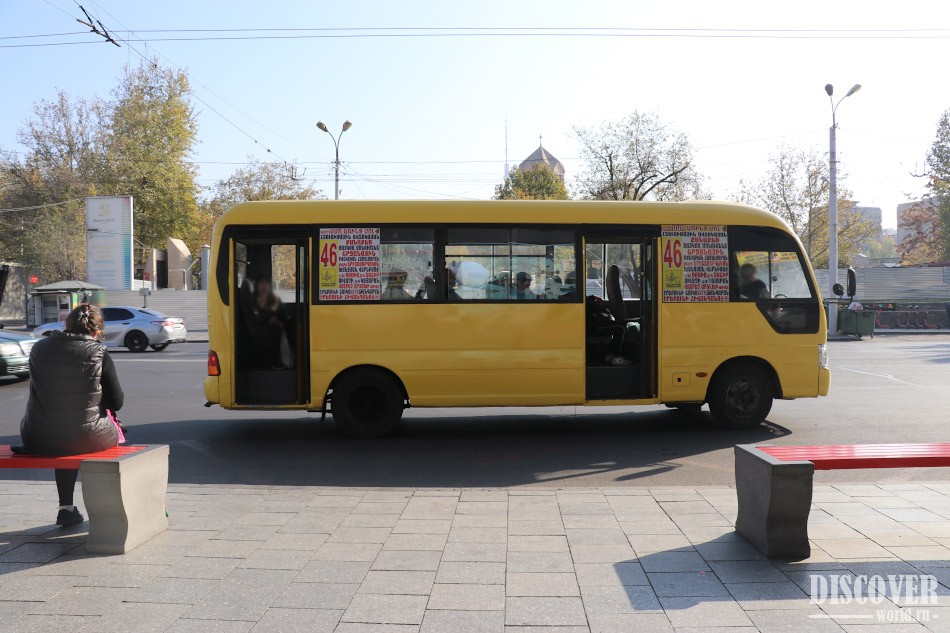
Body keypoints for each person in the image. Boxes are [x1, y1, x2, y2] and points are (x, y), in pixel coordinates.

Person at [19, 304, 123, 528]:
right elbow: (117, 402)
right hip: (86, 437)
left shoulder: (39, 348)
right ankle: (106, 510)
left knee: (65, 432)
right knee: (87, 434)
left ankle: (66, 508)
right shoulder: (98, 351)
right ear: (97, 331)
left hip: (37, 436)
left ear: (67, 324)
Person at [248, 277, 290, 368]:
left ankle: (278, 361)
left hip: (276, 326)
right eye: (261, 284)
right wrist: (268, 321)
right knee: (272, 331)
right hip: (261, 329)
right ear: (257, 287)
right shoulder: (253, 301)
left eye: (266, 284)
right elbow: (254, 318)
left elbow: (283, 314)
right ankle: (271, 362)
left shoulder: (274, 299)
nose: (264, 287)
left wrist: (279, 321)